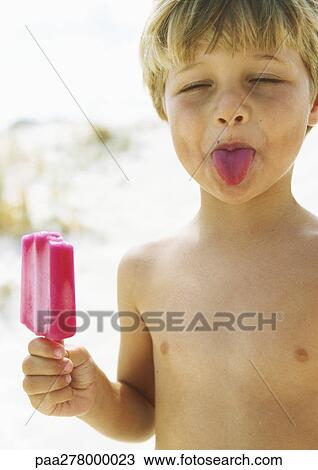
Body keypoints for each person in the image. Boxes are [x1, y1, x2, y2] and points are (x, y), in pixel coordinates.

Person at [21, 0, 318, 449]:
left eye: (268, 79)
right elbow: (142, 414)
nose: (229, 109)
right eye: (197, 84)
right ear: (164, 109)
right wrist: (92, 396)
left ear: (314, 103)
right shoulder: (144, 269)